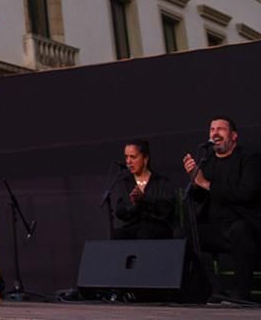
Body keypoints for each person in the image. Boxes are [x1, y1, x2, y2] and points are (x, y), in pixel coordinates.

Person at [183, 116, 261, 301]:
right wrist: (195, 183)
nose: (215, 133)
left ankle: (241, 293)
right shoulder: (207, 161)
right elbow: (200, 197)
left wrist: (205, 183)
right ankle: (213, 289)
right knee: (185, 233)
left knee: (239, 230)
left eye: (221, 129)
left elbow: (246, 193)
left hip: (246, 226)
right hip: (217, 229)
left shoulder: (250, 158)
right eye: (212, 129)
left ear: (233, 136)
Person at [111, 140, 177, 240]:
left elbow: (167, 209)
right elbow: (120, 211)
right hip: (132, 228)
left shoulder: (160, 182)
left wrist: (144, 199)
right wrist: (134, 205)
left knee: (146, 232)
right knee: (117, 235)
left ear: (145, 158)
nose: (128, 161)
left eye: (132, 157)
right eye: (126, 157)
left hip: (156, 228)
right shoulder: (125, 182)